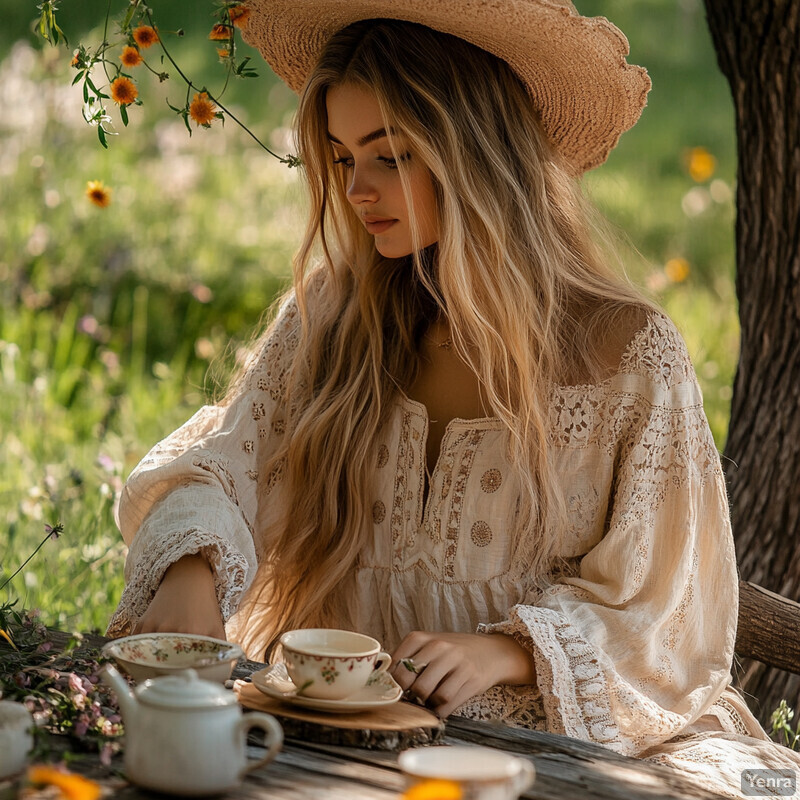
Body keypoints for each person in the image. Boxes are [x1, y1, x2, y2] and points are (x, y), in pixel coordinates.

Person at [107, 1, 800, 795]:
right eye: (340, 159)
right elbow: (217, 464)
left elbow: (672, 608)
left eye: (389, 156)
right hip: (360, 749)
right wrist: (193, 562)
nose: (357, 192)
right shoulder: (336, 318)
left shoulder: (626, 352)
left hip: (578, 748)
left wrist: (507, 651)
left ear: (474, 152)